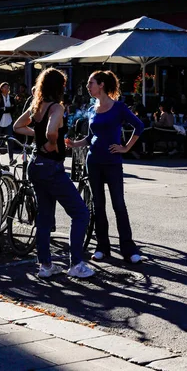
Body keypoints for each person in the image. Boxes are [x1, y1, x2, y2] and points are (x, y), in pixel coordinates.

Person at [13, 68, 94, 279]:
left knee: (45, 216)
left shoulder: (36, 106)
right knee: (80, 213)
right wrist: (52, 144)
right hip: (51, 167)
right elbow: (51, 132)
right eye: (63, 85)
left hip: (35, 165)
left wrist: (38, 135)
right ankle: (76, 263)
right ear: (58, 87)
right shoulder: (56, 108)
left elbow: (17, 126)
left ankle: (46, 266)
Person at [66, 70, 144, 264]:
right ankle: (102, 247)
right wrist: (75, 144)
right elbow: (92, 137)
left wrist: (125, 148)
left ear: (101, 85)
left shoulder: (118, 107)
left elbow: (139, 126)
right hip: (93, 162)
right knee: (98, 206)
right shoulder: (93, 108)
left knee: (118, 204)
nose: (88, 86)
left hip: (112, 163)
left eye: (91, 82)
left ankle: (128, 248)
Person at [0, 82, 16, 164]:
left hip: (8, 121)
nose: (7, 89)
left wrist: (5, 109)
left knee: (10, 140)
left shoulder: (11, 98)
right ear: (1, 88)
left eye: (8, 87)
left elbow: (14, 109)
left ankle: (11, 159)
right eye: (5, 87)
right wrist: (7, 109)